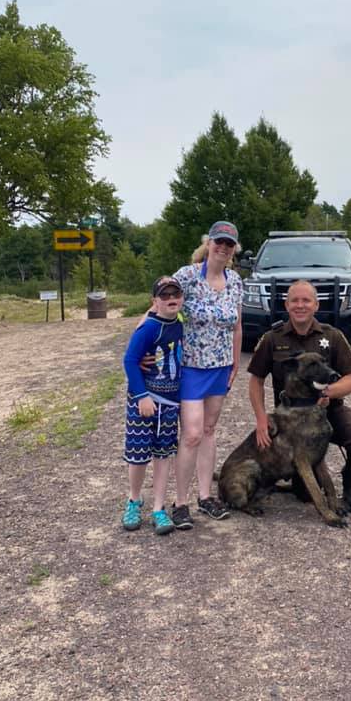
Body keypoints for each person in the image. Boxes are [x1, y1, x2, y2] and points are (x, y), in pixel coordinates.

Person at [247, 280, 351, 513]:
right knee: (304, 495)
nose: (300, 305)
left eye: (306, 300)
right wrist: (261, 419)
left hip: (328, 412)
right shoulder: (272, 339)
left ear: (316, 305)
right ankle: (292, 481)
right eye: (294, 300)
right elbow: (256, 380)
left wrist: (327, 392)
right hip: (292, 419)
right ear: (286, 305)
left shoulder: (332, 336)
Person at [168, 220, 243, 529]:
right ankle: (180, 501)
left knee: (210, 431)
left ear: (234, 249)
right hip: (191, 366)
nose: (223, 248)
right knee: (192, 433)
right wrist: (143, 340)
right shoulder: (187, 276)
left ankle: (205, 496)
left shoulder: (236, 281)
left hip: (220, 367)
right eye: (219, 242)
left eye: (229, 244)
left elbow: (237, 325)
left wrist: (236, 362)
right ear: (209, 243)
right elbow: (161, 303)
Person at [121, 276, 184, 536]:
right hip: (145, 401)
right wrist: (141, 396)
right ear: (155, 301)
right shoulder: (148, 327)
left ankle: (159, 507)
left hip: (170, 402)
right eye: (165, 296)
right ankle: (134, 500)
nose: (171, 299)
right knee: (138, 455)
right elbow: (130, 360)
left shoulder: (181, 321)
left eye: (175, 295)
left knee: (163, 455)